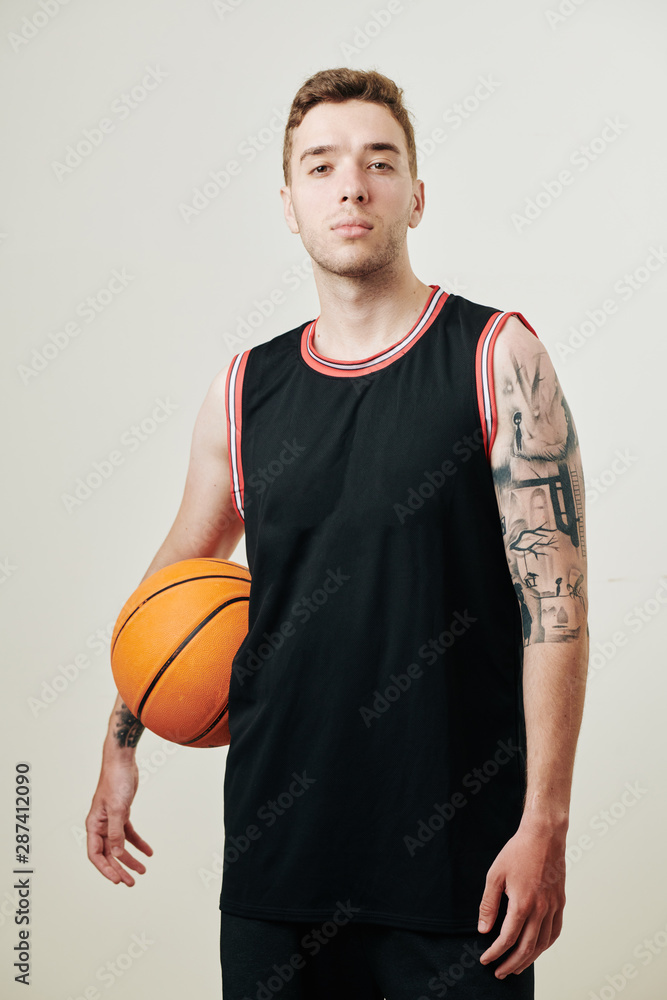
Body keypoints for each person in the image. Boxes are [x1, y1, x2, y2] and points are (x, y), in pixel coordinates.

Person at [86, 67, 589, 999]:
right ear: (288, 204)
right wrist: (122, 742)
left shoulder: (496, 356)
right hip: (281, 873)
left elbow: (554, 612)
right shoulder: (243, 390)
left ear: (415, 194)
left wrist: (544, 823)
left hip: (461, 878)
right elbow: (178, 574)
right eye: (320, 166)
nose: (350, 185)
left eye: (377, 161)